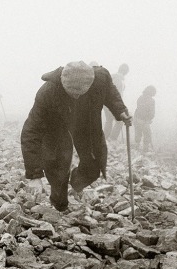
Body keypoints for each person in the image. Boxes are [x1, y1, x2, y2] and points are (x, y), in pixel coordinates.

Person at [22, 61, 131, 212]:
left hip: (85, 125)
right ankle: (60, 206)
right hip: (57, 128)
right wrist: (34, 174)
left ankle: (76, 183)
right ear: (63, 82)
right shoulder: (48, 92)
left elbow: (110, 93)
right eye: (71, 91)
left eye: (80, 92)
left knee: (94, 164)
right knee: (57, 168)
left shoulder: (100, 78)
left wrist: (120, 110)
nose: (76, 96)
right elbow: (31, 131)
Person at [103, 63, 129, 142]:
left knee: (109, 121)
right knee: (120, 121)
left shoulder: (112, 77)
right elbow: (116, 93)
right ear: (125, 72)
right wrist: (120, 105)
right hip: (113, 103)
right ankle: (112, 139)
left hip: (106, 103)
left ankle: (104, 139)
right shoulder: (118, 79)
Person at [133, 85, 156, 151]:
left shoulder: (140, 98)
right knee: (147, 135)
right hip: (145, 120)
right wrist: (149, 119)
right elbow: (151, 112)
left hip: (137, 118)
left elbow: (138, 108)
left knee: (138, 134)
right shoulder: (151, 100)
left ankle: (136, 148)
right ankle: (145, 150)